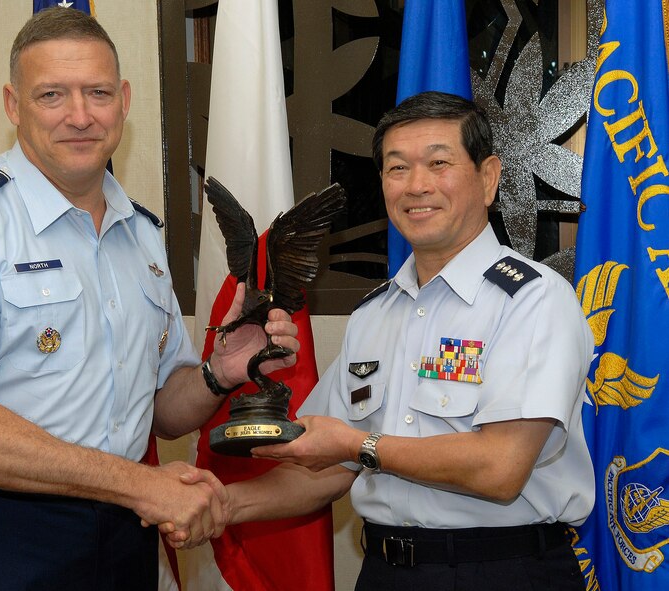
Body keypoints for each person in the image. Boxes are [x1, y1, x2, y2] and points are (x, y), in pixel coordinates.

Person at [0, 7, 298, 591]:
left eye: (98, 92)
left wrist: (219, 373)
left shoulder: (142, 234)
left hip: (124, 534)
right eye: (52, 95)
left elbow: (155, 410)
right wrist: (139, 486)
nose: (79, 116)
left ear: (124, 100)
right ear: (13, 105)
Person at [174, 91, 595, 590]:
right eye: (397, 169)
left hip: (501, 570)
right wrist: (224, 504)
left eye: (438, 163)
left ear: (488, 178)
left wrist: (358, 443)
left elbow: (501, 467)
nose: (417, 186)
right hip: (385, 574)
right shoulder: (375, 314)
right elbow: (328, 465)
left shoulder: (531, 300)